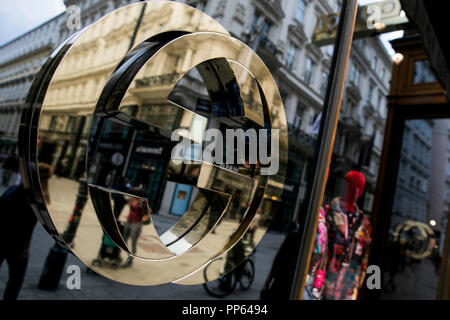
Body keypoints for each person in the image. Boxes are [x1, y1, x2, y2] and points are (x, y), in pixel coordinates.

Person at [0, 185, 37, 300]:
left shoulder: (12, 190)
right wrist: (25, 248)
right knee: (16, 280)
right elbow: (28, 226)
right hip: (17, 244)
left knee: (15, 280)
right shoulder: (33, 199)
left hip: (3, 239)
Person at [122, 191, 150, 267]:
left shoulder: (142, 203)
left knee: (133, 243)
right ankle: (121, 256)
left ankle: (130, 260)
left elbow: (148, 212)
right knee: (124, 239)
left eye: (135, 195)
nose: (133, 196)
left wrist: (143, 218)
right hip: (129, 221)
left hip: (136, 223)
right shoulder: (131, 200)